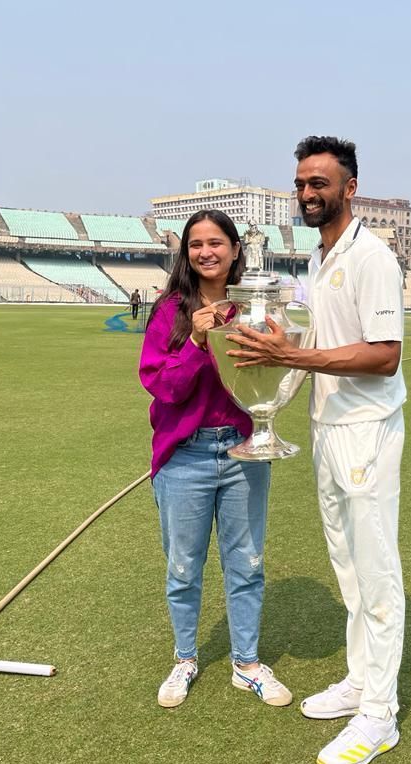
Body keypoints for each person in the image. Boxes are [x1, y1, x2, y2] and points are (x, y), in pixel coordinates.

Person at [225, 136, 406, 764]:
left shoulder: (371, 257)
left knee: (377, 573)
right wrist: (268, 391)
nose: (307, 193)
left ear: (349, 188)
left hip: (367, 429)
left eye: (319, 183)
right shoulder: (320, 258)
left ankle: (380, 717)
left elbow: (385, 356)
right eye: (301, 183)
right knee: (349, 570)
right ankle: (361, 681)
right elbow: (320, 344)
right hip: (328, 428)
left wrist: (291, 355)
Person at [138, 209, 292, 711]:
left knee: (246, 563)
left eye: (216, 242)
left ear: (234, 248)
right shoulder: (170, 311)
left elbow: (270, 378)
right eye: (196, 243)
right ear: (186, 252)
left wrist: (274, 344)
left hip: (244, 450)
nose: (207, 251)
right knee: (183, 567)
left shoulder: (255, 306)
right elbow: (162, 385)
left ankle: (245, 664)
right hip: (185, 455)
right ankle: (185, 657)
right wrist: (199, 342)